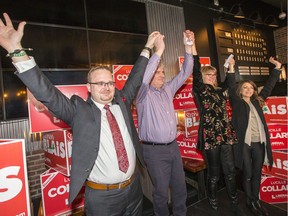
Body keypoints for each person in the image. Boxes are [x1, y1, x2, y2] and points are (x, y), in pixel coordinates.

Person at [0, 13, 160, 216]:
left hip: (134, 189)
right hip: (102, 199)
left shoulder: (122, 102)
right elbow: (46, 92)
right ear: (88, 87)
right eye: (99, 83)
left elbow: (136, 77)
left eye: (109, 83)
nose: (106, 87)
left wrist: (148, 46)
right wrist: (16, 50)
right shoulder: (78, 111)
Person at [136, 30, 194, 216]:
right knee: (161, 193)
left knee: (180, 189)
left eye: (163, 72)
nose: (162, 75)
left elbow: (186, 72)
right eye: (157, 72)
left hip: (173, 147)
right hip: (154, 151)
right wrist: (158, 50)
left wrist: (188, 46)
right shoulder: (143, 94)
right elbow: (143, 78)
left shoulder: (168, 89)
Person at [191, 41, 244, 215]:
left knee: (229, 171)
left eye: (214, 75)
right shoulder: (199, 89)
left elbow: (231, 84)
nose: (213, 77)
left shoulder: (220, 91)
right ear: (203, 76)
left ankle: (234, 198)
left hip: (225, 134)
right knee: (214, 173)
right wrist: (192, 47)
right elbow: (195, 70)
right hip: (211, 136)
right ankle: (212, 199)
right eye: (209, 75)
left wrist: (230, 68)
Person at [227, 56, 282, 216]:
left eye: (251, 88)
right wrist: (231, 68)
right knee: (248, 174)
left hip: (259, 143)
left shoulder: (258, 102)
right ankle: (250, 201)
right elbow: (230, 86)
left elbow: (269, 86)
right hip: (244, 144)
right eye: (245, 87)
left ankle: (256, 200)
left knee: (257, 173)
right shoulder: (237, 103)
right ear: (240, 90)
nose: (248, 90)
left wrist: (277, 67)